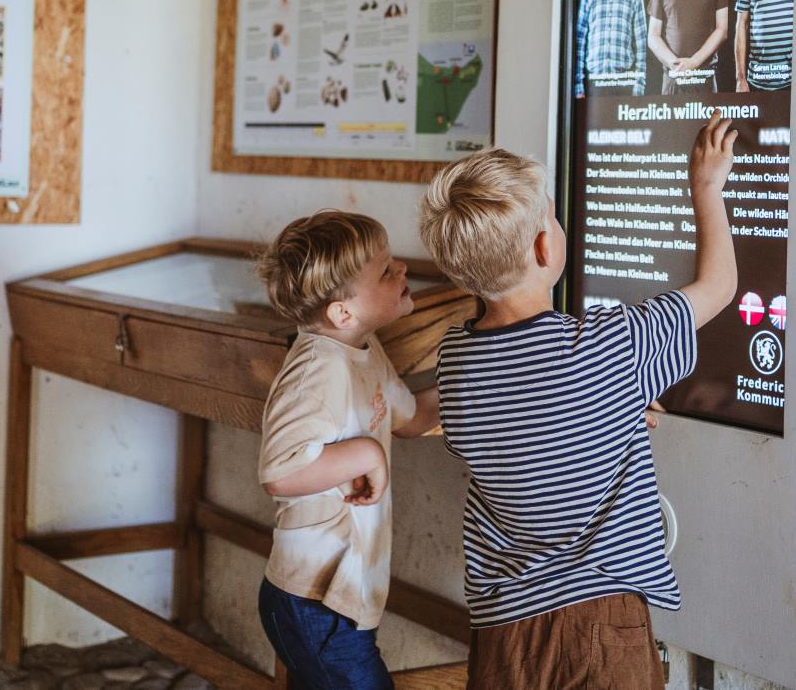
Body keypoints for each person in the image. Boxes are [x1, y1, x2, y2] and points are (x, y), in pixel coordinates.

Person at [418, 116, 738, 690]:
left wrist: (614, 411)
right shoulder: (611, 344)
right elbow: (718, 287)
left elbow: (524, 423)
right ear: (545, 246)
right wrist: (707, 188)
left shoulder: (456, 361)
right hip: (603, 622)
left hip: (505, 632)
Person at [255, 210, 441, 689]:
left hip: (341, 598)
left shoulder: (362, 349)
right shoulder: (318, 369)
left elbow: (412, 419)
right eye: (386, 271)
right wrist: (367, 454)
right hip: (313, 601)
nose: (403, 269)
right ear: (342, 313)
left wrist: (480, 378)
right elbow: (281, 472)